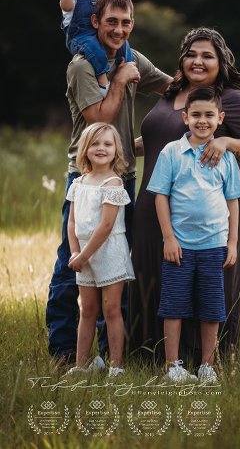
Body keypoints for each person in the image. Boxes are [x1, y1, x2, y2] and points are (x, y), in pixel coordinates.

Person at [46, 0, 172, 366]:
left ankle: (109, 352)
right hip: (85, 178)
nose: (119, 29)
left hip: (125, 178)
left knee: (116, 261)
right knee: (75, 261)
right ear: (96, 22)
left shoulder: (132, 58)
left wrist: (224, 86)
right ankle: (66, 349)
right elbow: (99, 119)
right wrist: (119, 81)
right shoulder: (83, 66)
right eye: (111, 22)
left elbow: (173, 86)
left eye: (126, 22)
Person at [129, 27, 240, 366]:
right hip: (159, 191)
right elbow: (160, 136)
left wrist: (224, 142)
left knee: (208, 271)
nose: (197, 61)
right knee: (156, 268)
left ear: (221, 62)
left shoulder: (230, 97)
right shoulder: (173, 91)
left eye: (207, 56)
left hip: (212, 198)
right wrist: (116, 149)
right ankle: (152, 352)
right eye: (191, 54)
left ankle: (207, 355)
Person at [148, 88, 240, 382]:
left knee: (211, 307)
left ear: (220, 118)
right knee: (174, 305)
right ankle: (172, 367)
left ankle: (206, 366)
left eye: (208, 115)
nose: (202, 121)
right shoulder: (171, 153)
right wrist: (168, 237)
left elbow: (233, 200)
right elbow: (160, 196)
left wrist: (232, 242)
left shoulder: (225, 157)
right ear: (185, 117)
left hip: (214, 245)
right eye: (196, 115)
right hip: (179, 246)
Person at [64, 123, 134, 378]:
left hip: (109, 252)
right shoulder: (79, 182)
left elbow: (105, 226)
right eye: (95, 143)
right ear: (85, 149)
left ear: (116, 150)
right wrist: (75, 253)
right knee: (87, 309)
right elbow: (71, 222)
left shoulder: (114, 183)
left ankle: (116, 365)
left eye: (107, 144)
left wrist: (83, 255)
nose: (101, 148)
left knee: (111, 308)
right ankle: (82, 365)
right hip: (83, 256)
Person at [59, 0, 132, 94]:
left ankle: (127, 65)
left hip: (96, 34)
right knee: (95, 49)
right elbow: (65, 6)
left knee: (124, 44)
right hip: (80, 37)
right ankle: (102, 81)